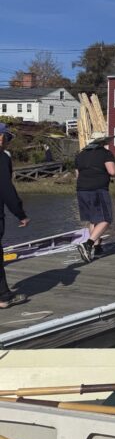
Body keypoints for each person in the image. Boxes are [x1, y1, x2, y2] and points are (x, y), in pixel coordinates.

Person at [74, 131, 115, 263]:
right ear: (102, 142)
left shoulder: (80, 155)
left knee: (93, 220)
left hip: (81, 190)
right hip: (98, 189)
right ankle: (88, 244)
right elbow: (112, 171)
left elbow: (78, 175)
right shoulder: (105, 154)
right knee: (106, 219)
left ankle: (96, 247)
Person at [0, 124, 30, 309]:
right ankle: (3, 297)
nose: (8, 142)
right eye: (7, 138)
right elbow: (6, 188)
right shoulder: (1, 158)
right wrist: (20, 214)